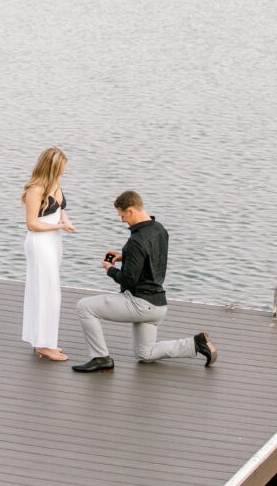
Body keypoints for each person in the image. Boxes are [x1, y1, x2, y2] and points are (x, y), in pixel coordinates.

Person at [72, 190, 217, 373]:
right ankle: (195, 344)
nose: (122, 220)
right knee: (145, 354)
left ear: (131, 211)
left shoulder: (136, 241)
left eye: (122, 215)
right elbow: (150, 257)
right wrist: (125, 256)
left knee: (84, 306)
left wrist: (110, 270)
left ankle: (100, 358)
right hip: (158, 306)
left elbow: (128, 280)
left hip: (140, 304)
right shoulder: (159, 229)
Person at [22, 147, 75, 362]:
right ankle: (44, 344)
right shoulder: (36, 189)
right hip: (40, 242)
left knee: (51, 292)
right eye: (61, 168)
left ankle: (44, 340)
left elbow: (60, 209)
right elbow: (32, 224)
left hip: (54, 241)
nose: (64, 171)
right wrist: (58, 227)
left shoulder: (56, 184)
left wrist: (65, 222)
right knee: (45, 292)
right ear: (51, 167)